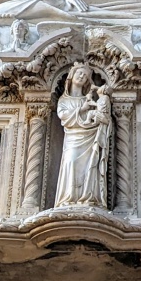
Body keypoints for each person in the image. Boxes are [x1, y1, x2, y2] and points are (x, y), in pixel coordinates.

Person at [54, 64, 111, 207]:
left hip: (90, 136)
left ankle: (88, 197)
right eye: (79, 73)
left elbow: (99, 116)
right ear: (71, 75)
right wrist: (81, 109)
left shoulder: (88, 99)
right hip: (73, 137)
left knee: (90, 166)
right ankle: (68, 198)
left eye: (85, 76)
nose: (82, 76)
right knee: (71, 161)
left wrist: (97, 116)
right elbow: (63, 116)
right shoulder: (64, 100)